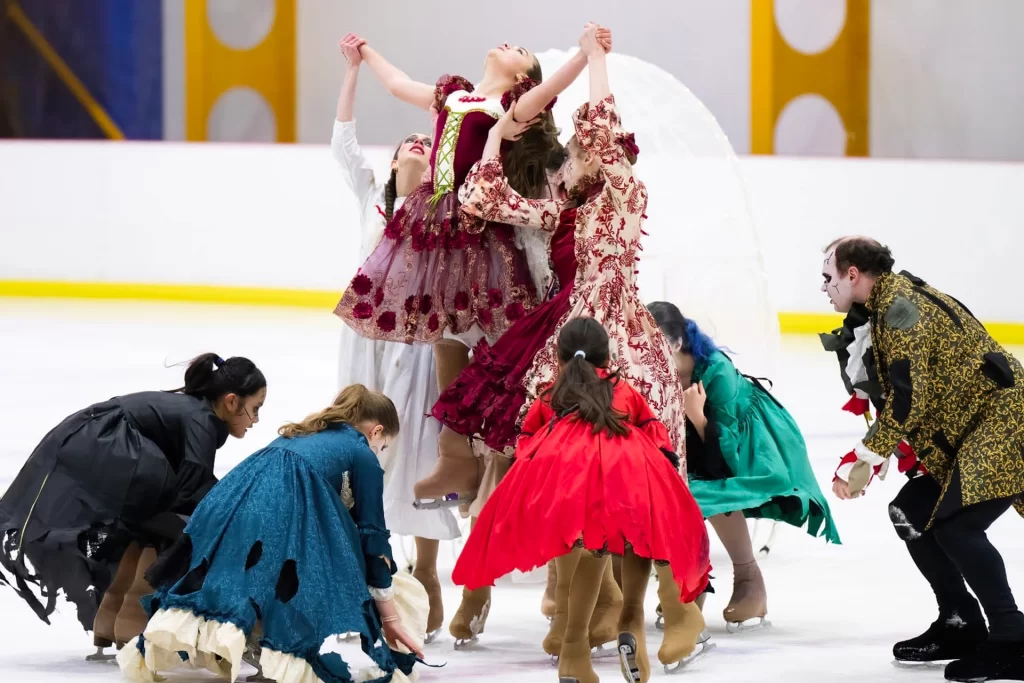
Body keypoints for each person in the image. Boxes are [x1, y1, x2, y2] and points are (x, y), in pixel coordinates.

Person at [434, 29, 699, 666]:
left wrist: (596, 59)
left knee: (653, 470)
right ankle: (596, 605)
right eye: (572, 157)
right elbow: (480, 195)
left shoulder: (623, 192)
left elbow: (602, 128)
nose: (568, 164)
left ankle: (674, 605)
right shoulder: (563, 210)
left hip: (624, 338)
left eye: (576, 156)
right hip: (570, 342)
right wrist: (496, 136)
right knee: (565, 473)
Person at [333, 26, 607, 519]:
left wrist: (586, 56)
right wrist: (365, 52)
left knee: (493, 338)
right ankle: (455, 454)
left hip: (478, 230)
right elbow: (398, 85)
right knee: (446, 337)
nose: (508, 44)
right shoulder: (453, 96)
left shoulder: (510, 107)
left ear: (522, 77)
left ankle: (498, 449)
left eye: (519, 51)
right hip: (434, 227)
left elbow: (550, 88)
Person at [451, 317, 710, 683]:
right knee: (644, 540)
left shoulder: (550, 395)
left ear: (559, 360)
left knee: (592, 551)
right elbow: (654, 433)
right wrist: (663, 470)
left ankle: (573, 651)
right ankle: (638, 619)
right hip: (627, 474)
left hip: (570, 484)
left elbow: (527, 442)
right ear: (609, 358)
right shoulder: (622, 389)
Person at [118, 385, 427, 683]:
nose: (379, 452)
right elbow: (373, 535)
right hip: (285, 513)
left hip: (230, 502)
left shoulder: (305, 433)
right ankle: (276, 652)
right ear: (376, 432)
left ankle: (242, 640)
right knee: (309, 571)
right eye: (383, 446)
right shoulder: (361, 452)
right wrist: (389, 617)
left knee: (241, 578)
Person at [821, 236, 1024, 682]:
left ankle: (1012, 640)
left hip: (1004, 425)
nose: (824, 287)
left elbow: (909, 400)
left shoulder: (901, 311)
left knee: (956, 525)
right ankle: (959, 621)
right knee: (911, 510)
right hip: (976, 429)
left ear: (852, 274)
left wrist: (862, 459)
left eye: (827, 277)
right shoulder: (891, 303)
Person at [0, 353, 266, 657]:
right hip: (111, 443)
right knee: (179, 518)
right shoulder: (203, 420)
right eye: (255, 409)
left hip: (93, 438)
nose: (256, 420)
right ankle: (134, 612)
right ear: (231, 401)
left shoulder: (195, 412)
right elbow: (194, 488)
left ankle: (114, 613)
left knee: (153, 517)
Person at [332, 33, 458, 641]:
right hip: (366, 339)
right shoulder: (371, 201)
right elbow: (343, 142)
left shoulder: (442, 211)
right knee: (363, 445)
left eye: (423, 144)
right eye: (407, 141)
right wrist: (352, 70)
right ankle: (367, 564)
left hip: (417, 343)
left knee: (418, 445)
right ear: (390, 165)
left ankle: (427, 568)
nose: (416, 143)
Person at [648, 301, 840, 634]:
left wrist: (696, 416)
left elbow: (722, 459)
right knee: (664, 494)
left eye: (654, 344)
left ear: (677, 343)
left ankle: (749, 579)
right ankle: (690, 581)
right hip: (698, 444)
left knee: (709, 492)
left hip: (749, 444)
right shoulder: (652, 372)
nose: (645, 354)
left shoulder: (716, 371)